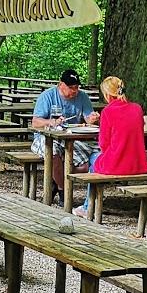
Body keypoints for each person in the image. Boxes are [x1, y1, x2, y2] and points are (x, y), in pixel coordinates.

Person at [73, 76, 147, 214]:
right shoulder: (137, 108)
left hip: (117, 163)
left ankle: (87, 207)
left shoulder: (107, 112)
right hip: (138, 163)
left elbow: (103, 144)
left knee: (92, 159)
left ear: (107, 94)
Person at [31, 69, 97, 201]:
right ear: (61, 84)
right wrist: (52, 122)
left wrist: (93, 118)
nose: (75, 91)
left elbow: (88, 118)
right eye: (71, 87)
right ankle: (63, 190)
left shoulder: (83, 97)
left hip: (71, 138)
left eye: (77, 87)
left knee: (85, 164)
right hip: (46, 137)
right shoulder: (47, 96)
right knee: (53, 154)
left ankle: (56, 178)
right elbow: (35, 122)